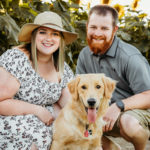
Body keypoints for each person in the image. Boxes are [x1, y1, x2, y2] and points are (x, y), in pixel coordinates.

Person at [76, 4, 150, 150]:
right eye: (93, 27)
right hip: (102, 113)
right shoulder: (84, 55)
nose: (97, 33)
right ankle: (112, 148)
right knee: (73, 120)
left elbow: (148, 96)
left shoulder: (130, 57)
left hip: (135, 111)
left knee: (129, 124)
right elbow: (80, 92)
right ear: (87, 26)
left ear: (115, 30)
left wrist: (119, 106)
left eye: (104, 28)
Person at [0, 11, 77, 150]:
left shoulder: (61, 67)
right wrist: (37, 110)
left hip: (45, 121)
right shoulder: (18, 58)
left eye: (55, 34)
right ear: (34, 36)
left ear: (60, 40)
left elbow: (69, 103)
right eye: (43, 32)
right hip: (11, 119)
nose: (49, 38)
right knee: (34, 134)